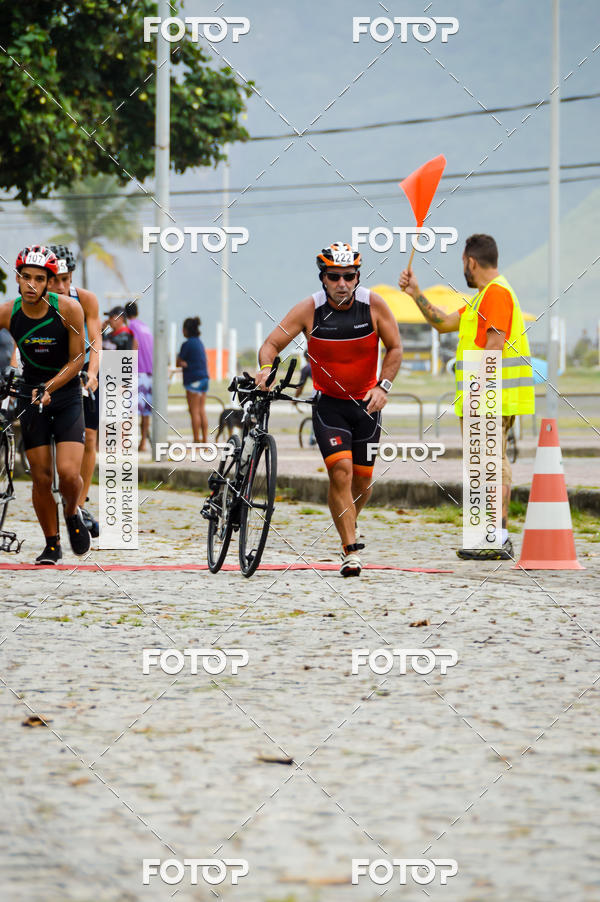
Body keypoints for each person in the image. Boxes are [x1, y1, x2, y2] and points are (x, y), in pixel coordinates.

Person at [256, 242, 402, 577]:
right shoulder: (310, 309)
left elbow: (395, 348)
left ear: (357, 277)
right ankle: (350, 550)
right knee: (341, 472)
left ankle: (348, 521)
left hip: (366, 406)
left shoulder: (374, 305)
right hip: (329, 406)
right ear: (323, 278)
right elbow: (271, 344)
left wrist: (383, 386)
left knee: (363, 483)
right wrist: (265, 368)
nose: (342, 283)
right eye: (334, 277)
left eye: (348, 276)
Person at [399, 233, 535, 561]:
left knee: (492, 464)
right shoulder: (482, 298)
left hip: (489, 399)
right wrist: (416, 293)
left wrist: (476, 396)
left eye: (463, 263)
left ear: (471, 262)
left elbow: (494, 346)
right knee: (486, 464)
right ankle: (488, 537)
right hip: (485, 399)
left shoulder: (496, 294)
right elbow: (444, 322)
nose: (464, 268)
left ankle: (496, 538)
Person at [0, 245, 90, 563]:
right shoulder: (7, 312)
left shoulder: (69, 309)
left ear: (50, 282)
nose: (31, 284)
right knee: (41, 477)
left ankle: (72, 511)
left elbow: (78, 359)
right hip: (30, 395)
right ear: (17, 278)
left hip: (66, 395)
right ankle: (52, 544)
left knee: (67, 473)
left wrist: (49, 387)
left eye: (39, 279)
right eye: (26, 277)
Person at [48, 245, 101, 537]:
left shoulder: (87, 300)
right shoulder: (36, 301)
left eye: (65, 280)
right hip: (49, 371)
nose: (60, 286)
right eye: (54, 280)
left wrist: (93, 373)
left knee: (90, 436)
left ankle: (79, 505)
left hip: (82, 371)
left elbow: (96, 340)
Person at [125, 301, 154, 451]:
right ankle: (143, 443)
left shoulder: (131, 326)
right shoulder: (145, 327)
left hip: (137, 372)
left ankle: (127, 443)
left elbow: (134, 345)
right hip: (149, 373)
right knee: (146, 412)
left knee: (130, 410)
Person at [176, 317, 209, 443]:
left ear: (186, 330)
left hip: (193, 380)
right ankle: (205, 440)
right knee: (201, 410)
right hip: (204, 379)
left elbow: (178, 362)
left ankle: (196, 440)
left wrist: (182, 362)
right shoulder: (200, 343)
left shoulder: (187, 344)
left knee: (194, 411)